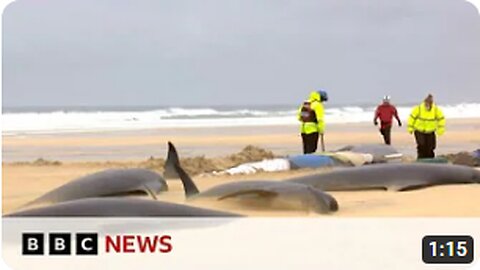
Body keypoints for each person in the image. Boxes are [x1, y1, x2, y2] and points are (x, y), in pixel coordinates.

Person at [407, 94, 445, 159]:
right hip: (419, 131)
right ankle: (421, 159)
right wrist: (410, 128)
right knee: (421, 145)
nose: (427, 106)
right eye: (426, 104)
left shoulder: (436, 110)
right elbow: (412, 118)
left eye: (429, 104)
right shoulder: (418, 109)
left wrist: (440, 129)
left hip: (430, 131)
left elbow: (441, 119)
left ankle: (430, 159)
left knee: (431, 147)